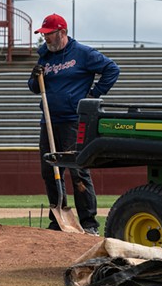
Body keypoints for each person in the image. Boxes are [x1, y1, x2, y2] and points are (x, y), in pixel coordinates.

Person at [28, 13, 120, 236]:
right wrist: (34, 77)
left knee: (78, 170)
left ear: (62, 33)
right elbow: (33, 87)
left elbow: (112, 69)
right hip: (49, 120)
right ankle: (57, 217)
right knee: (49, 170)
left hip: (73, 121)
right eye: (43, 35)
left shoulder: (83, 54)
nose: (45, 39)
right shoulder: (44, 57)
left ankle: (88, 222)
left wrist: (93, 95)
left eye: (49, 35)